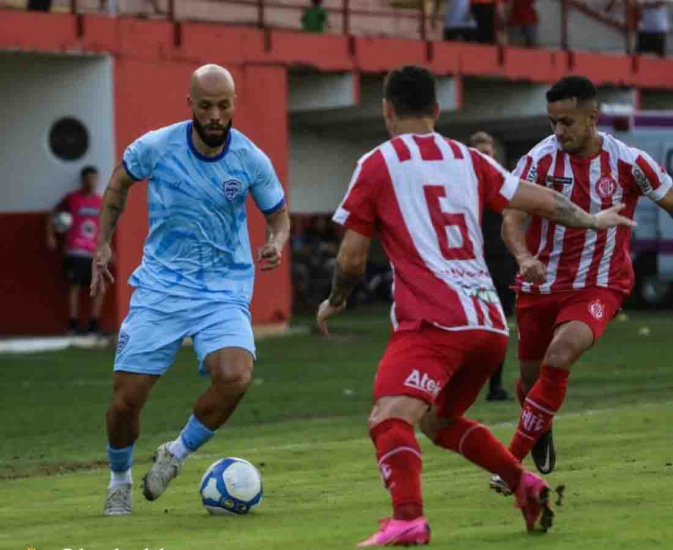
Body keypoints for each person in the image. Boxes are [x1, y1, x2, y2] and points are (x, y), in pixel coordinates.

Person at [315, 65, 634, 546]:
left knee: (388, 417)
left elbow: (352, 259)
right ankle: (524, 484)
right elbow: (542, 200)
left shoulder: (377, 163)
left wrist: (336, 299)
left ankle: (408, 519)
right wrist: (591, 220)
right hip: (487, 324)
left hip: (434, 320)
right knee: (437, 421)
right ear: (437, 110)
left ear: (387, 111)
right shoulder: (466, 158)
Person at [91, 64, 290, 516]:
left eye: (223, 105)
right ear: (190, 105)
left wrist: (275, 243)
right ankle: (119, 481)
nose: (215, 115)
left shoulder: (250, 159)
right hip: (161, 288)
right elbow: (118, 184)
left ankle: (175, 453)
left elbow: (278, 216)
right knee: (126, 401)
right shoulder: (156, 147)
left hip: (222, 290)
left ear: (234, 104)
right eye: (206, 106)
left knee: (236, 376)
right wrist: (102, 242)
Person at [490, 75, 673, 493]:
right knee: (531, 382)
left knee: (561, 354)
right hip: (540, 285)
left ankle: (509, 464)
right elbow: (511, 218)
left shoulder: (630, 162)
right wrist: (524, 257)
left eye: (567, 122)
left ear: (593, 118)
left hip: (600, 283)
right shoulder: (538, 161)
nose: (558, 131)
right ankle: (541, 426)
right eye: (552, 122)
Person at [468, 131, 517, 401]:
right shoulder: (462, 184)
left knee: (499, 325)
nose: (483, 158)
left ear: (494, 155)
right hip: (469, 264)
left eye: (487, 153)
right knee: (469, 325)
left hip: (501, 263)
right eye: (478, 154)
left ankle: (495, 386)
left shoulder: (505, 182)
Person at [47, 166, 105, 336]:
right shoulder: (72, 198)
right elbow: (52, 214)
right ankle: (73, 324)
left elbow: (105, 228)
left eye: (94, 179)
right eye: (88, 179)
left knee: (100, 286)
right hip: (75, 250)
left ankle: (93, 324)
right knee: (74, 286)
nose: (92, 182)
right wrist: (50, 235)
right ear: (83, 180)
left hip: (94, 252)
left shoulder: (100, 201)